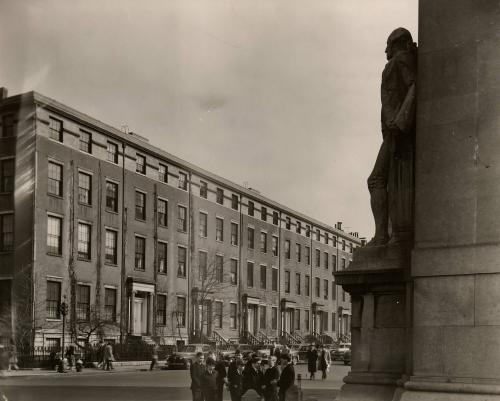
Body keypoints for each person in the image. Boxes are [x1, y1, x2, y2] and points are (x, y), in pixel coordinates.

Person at [367, 27, 417, 246]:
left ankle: (382, 235)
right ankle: (386, 233)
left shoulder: (401, 59)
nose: (385, 49)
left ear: (397, 44)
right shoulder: (397, 62)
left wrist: (400, 121)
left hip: (396, 131)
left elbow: (414, 86)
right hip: (393, 131)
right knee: (387, 181)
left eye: (388, 44)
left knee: (376, 179)